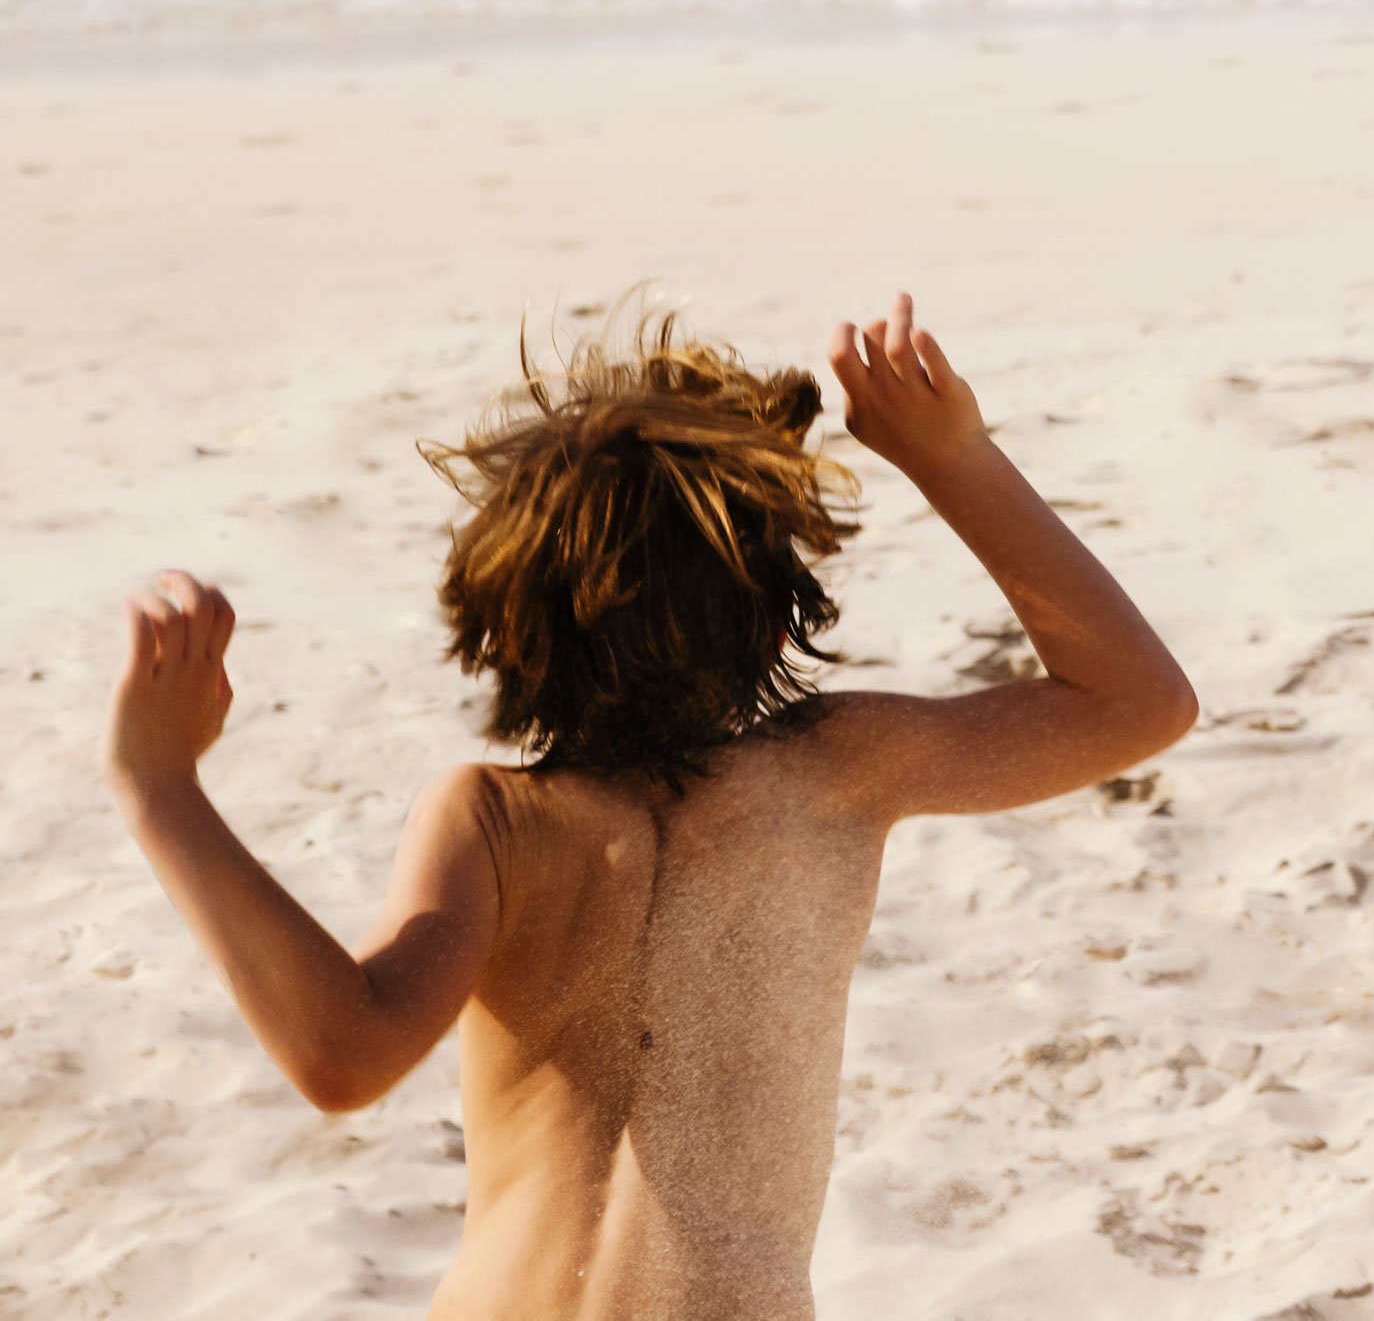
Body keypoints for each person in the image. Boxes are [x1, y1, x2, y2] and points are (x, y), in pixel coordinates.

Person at [105, 298, 1197, 1317]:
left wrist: (164, 790)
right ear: (780, 614)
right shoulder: (840, 767)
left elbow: (345, 1052)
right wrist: (950, 457)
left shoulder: (492, 819)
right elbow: (1135, 701)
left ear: (502, 627)